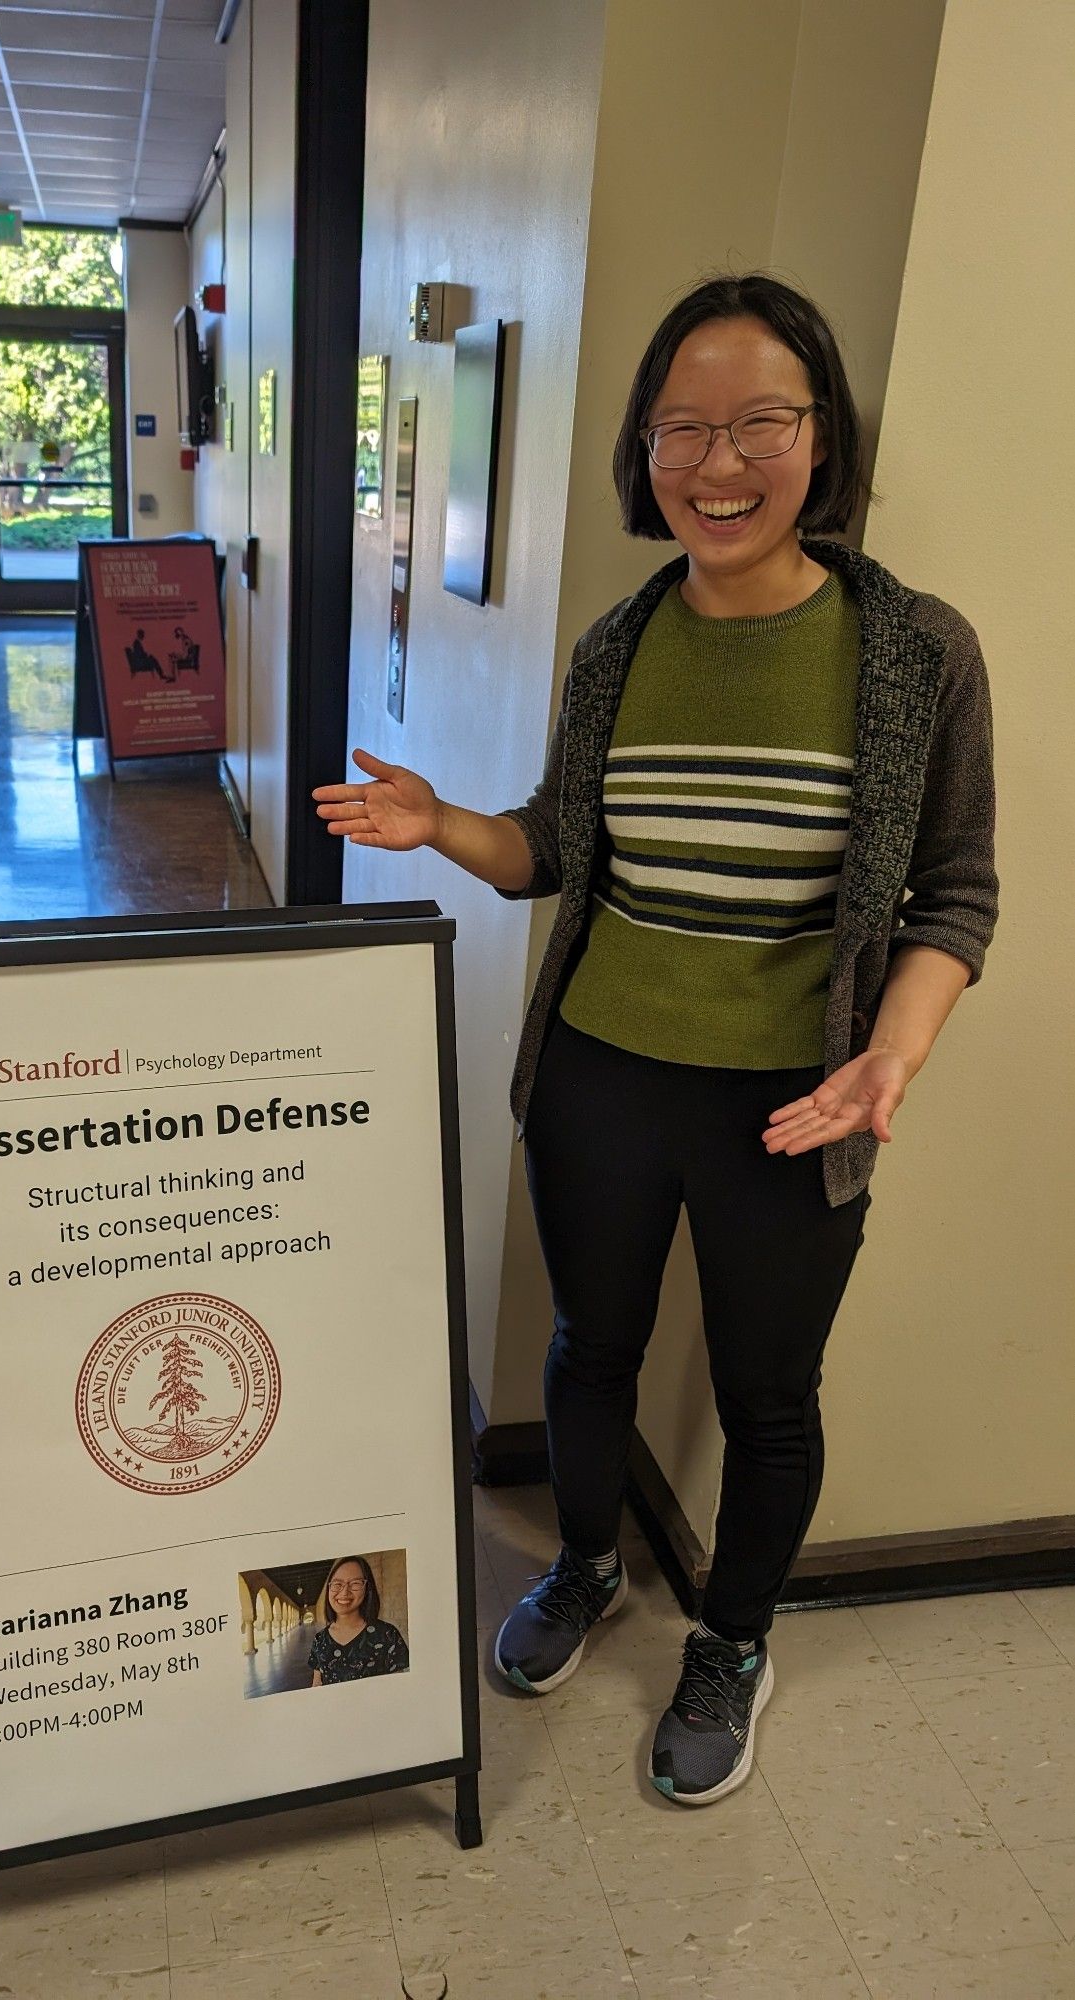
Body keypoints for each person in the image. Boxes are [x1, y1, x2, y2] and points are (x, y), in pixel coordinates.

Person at [312, 273, 996, 1806]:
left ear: (819, 441)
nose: (717, 462)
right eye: (681, 427)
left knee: (767, 1392)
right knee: (587, 1347)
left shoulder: (913, 652)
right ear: (644, 451)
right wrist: (447, 828)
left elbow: (954, 892)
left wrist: (892, 1056)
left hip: (793, 1100)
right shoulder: (620, 644)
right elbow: (558, 845)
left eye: (759, 421)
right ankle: (589, 1566)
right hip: (603, 1074)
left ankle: (734, 1642)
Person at [308, 1556, 409, 1686]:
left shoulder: (387, 1635)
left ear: (367, 1589)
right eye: (337, 1584)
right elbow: (317, 1682)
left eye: (355, 1583)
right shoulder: (319, 1639)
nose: (344, 1592)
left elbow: (400, 1689)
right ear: (329, 1589)